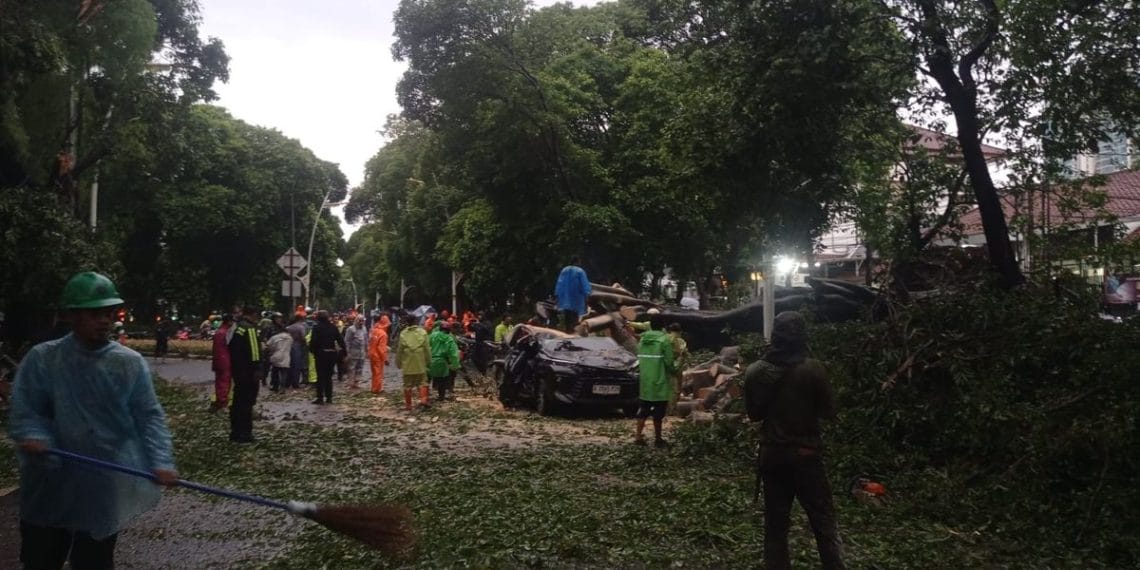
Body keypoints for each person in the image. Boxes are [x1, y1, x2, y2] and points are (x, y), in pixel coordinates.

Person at [9, 272, 178, 569]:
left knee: (94, 561)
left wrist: (161, 460)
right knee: (41, 558)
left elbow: (149, 416)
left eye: (108, 313)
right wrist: (36, 437)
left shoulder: (127, 363)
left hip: (101, 480)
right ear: (72, 316)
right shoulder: (43, 360)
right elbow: (27, 410)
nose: (104, 320)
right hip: (50, 480)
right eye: (94, 313)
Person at [743, 311, 844, 570]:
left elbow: (754, 415)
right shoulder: (814, 369)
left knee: (776, 525)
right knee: (823, 522)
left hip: (772, 457)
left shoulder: (755, 371)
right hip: (806, 456)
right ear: (802, 335)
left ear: (774, 335)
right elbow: (829, 412)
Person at [634, 320, 677, 448]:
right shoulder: (664, 341)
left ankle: (638, 437)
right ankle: (658, 439)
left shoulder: (642, 341)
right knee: (658, 413)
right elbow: (669, 363)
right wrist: (679, 364)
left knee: (643, 410)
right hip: (660, 383)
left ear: (650, 326)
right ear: (663, 327)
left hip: (645, 383)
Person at [227, 307, 261, 443]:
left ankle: (235, 432)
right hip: (248, 372)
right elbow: (254, 352)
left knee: (237, 401)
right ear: (252, 315)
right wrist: (257, 368)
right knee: (247, 403)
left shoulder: (237, 328)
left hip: (238, 371)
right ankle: (245, 434)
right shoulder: (250, 329)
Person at [309, 310, 346, 404]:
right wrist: (344, 352)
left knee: (320, 376)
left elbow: (313, 341)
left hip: (321, 354)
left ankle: (320, 397)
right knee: (329, 377)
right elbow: (340, 340)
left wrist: (313, 351)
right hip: (332, 354)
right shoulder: (333, 327)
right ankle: (329, 398)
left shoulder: (316, 328)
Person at [395, 314, 431, 411]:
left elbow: (399, 350)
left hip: (407, 364)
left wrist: (398, 363)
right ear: (416, 322)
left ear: (407, 322)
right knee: (422, 382)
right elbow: (427, 349)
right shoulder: (423, 333)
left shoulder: (403, 334)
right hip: (420, 362)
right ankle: (423, 400)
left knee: (407, 385)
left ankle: (408, 405)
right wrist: (429, 362)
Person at [554, 255, 591, 332]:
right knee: (575, 317)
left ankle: (568, 332)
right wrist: (587, 295)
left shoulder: (564, 270)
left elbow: (559, 284)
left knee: (567, 316)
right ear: (578, 261)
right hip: (576, 298)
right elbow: (585, 284)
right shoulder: (580, 271)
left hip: (565, 299)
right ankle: (575, 332)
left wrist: (557, 296)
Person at [428, 321, 461, 401]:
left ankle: (424, 397)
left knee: (428, 379)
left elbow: (426, 346)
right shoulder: (449, 339)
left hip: (430, 360)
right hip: (442, 362)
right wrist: (456, 365)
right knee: (443, 380)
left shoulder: (432, 335)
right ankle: (441, 397)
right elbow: (453, 354)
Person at [210, 314, 234, 412]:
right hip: (225, 361)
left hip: (217, 360)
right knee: (225, 383)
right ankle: (223, 403)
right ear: (228, 321)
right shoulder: (226, 333)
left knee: (219, 382)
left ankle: (218, 402)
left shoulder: (218, 332)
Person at [343, 316, 368, 389]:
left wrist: (366, 350)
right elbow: (347, 341)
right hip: (353, 351)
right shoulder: (351, 329)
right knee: (351, 368)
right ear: (356, 321)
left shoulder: (364, 328)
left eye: (362, 321)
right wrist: (347, 352)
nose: (361, 322)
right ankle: (350, 383)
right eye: (360, 321)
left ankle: (356, 382)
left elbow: (366, 340)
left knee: (360, 368)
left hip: (361, 352)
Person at [265, 326, 293, 391]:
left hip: (276, 356)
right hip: (286, 356)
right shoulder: (290, 338)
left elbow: (268, 346)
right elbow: (291, 346)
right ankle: (282, 388)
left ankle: (275, 386)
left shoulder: (274, 337)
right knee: (284, 373)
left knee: (275, 372)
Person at [368, 314, 390, 394]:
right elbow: (381, 348)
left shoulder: (373, 330)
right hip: (378, 356)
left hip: (371, 354)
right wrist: (385, 359)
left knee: (374, 372)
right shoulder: (383, 334)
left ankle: (374, 387)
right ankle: (377, 389)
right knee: (378, 372)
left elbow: (371, 342)